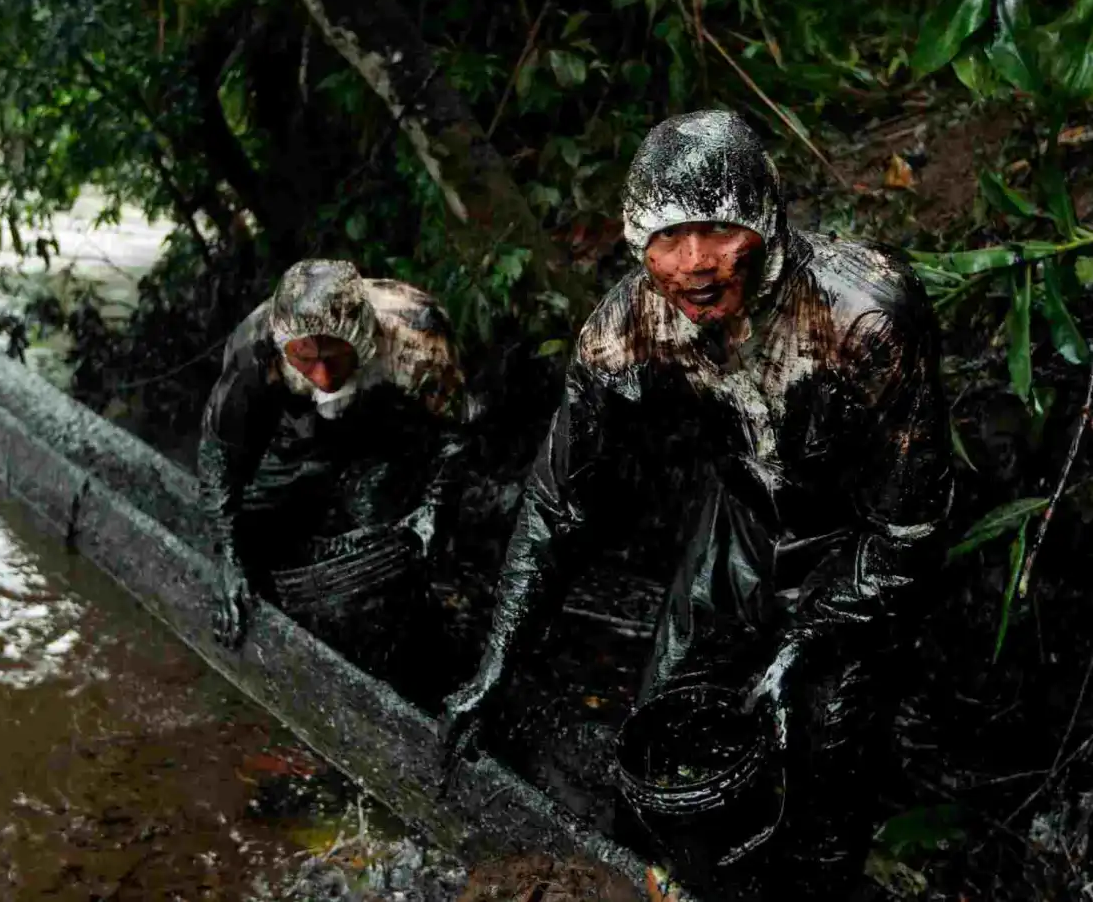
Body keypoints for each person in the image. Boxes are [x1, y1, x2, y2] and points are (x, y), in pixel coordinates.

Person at [440, 110, 953, 894]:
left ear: (766, 223)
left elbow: (908, 531)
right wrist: (497, 660)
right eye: (668, 238)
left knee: (823, 768)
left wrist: (796, 650)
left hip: (854, 545)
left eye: (716, 230)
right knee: (658, 751)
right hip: (739, 525)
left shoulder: (865, 317)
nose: (694, 264)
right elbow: (557, 500)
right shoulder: (627, 327)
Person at [198, 259, 468, 689]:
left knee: (380, 518)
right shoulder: (257, 348)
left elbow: (455, 435)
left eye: (332, 357)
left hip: (386, 422)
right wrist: (227, 557)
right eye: (306, 359)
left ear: (361, 337)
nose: (322, 375)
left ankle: (412, 631)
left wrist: (435, 509)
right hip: (296, 427)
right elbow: (221, 454)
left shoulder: (417, 339)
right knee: (253, 526)